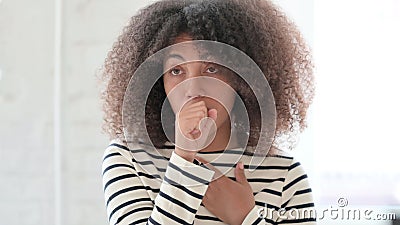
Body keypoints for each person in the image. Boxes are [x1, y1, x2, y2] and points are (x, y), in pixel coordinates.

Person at [100, 0, 316, 224]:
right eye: (176, 71)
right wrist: (183, 157)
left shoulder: (284, 174)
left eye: (211, 69)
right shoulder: (129, 158)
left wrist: (245, 218)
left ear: (241, 79)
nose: (193, 89)